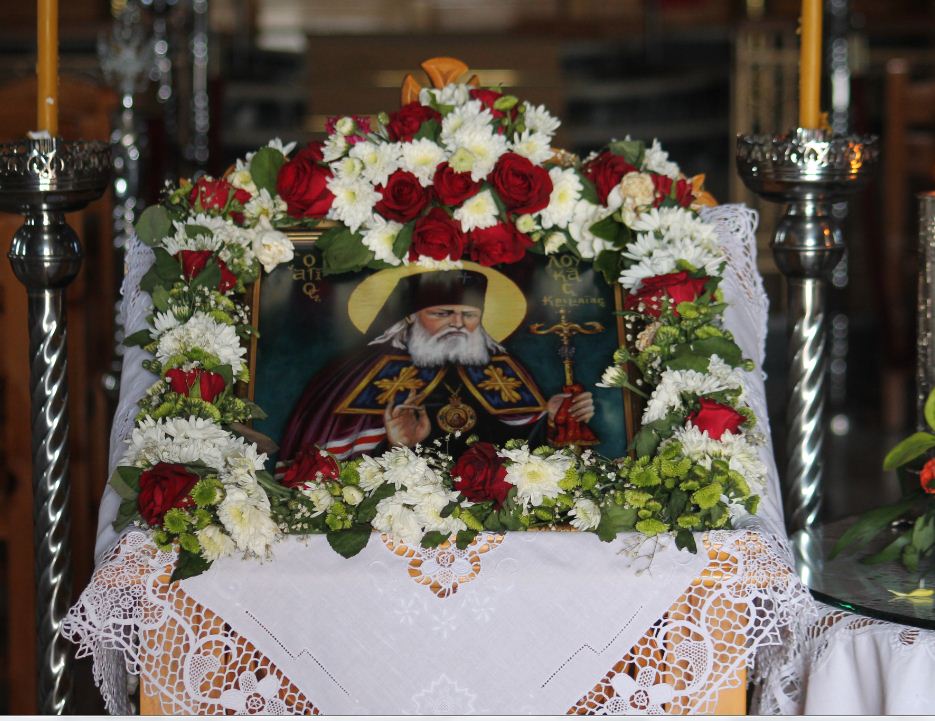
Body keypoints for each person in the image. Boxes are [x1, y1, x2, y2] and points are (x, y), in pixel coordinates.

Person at [278, 269, 594, 462]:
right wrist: (396, 445)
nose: (458, 323)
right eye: (442, 313)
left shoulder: (500, 367)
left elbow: (523, 447)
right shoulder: (356, 373)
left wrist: (551, 418)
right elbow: (334, 459)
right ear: (410, 318)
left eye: (469, 315)